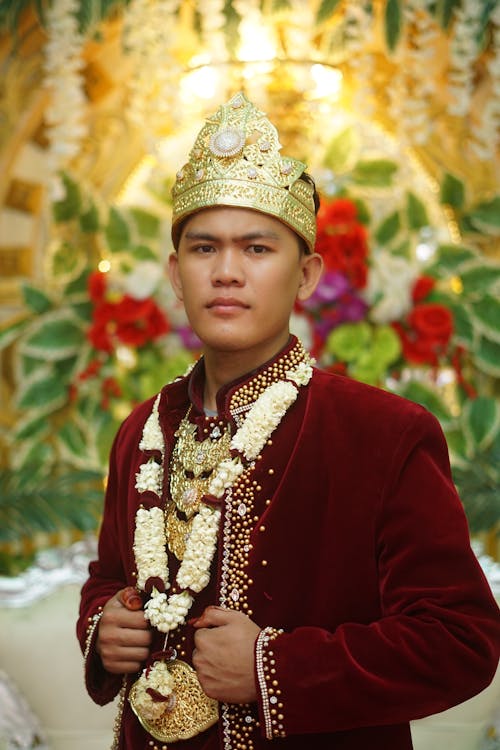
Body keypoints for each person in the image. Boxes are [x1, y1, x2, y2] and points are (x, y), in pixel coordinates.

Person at [77, 92, 500, 750]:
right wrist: (103, 626)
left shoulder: (381, 433)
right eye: (203, 249)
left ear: (305, 276)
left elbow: (461, 639)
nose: (225, 273)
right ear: (174, 273)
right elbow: (108, 578)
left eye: (256, 248)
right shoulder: (143, 429)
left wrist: (272, 670)